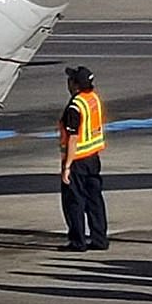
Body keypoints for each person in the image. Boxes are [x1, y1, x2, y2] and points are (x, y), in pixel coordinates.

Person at [58, 66, 109, 252]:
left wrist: (67, 166)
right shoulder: (93, 98)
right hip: (93, 157)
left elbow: (73, 137)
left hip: (77, 159)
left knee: (74, 202)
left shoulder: (75, 106)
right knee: (95, 200)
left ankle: (77, 241)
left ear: (75, 84)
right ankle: (100, 238)